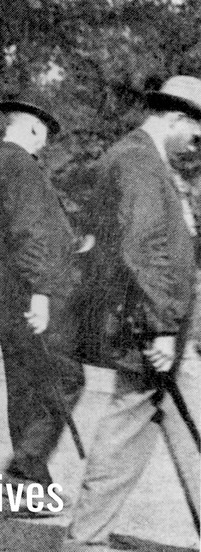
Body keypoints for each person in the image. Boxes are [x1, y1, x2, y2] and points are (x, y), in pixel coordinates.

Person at [65, 76, 201, 551]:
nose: (197, 142)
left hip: (155, 325)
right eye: (197, 130)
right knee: (162, 428)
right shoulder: (138, 161)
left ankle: (85, 540)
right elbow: (142, 247)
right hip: (152, 327)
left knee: (132, 435)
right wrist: (162, 326)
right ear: (176, 117)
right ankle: (84, 542)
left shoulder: (141, 159)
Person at [0, 90, 85, 515]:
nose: (45, 143)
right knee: (65, 382)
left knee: (25, 394)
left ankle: (30, 491)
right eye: (45, 135)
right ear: (33, 127)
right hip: (31, 298)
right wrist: (42, 290)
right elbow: (28, 232)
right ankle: (23, 471)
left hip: (10, 299)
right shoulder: (20, 166)